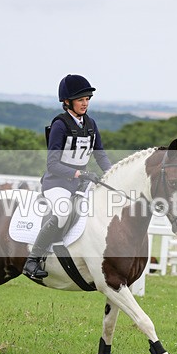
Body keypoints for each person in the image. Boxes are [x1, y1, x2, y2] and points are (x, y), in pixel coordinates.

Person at [23, 74, 113, 279]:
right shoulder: (60, 125)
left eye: (87, 99)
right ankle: (32, 259)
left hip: (82, 183)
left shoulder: (90, 124)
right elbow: (52, 165)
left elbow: (101, 155)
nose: (85, 103)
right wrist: (78, 172)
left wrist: (113, 175)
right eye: (81, 99)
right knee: (64, 213)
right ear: (67, 101)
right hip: (57, 182)